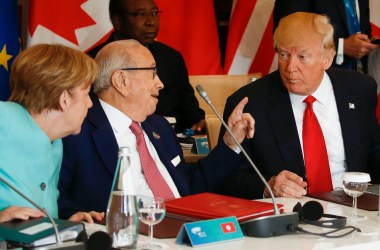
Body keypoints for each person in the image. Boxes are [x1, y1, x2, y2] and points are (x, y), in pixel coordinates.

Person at [58, 39, 254, 220]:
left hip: (186, 232)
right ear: (121, 81)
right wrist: (74, 216)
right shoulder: (75, 130)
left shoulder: (159, 126)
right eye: (152, 72)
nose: (160, 83)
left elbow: (189, 187)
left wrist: (230, 143)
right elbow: (53, 197)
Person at [216, 12, 380, 200]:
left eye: (302, 57)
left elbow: (375, 154)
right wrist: (268, 186)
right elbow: (224, 177)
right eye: (284, 54)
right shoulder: (250, 103)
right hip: (288, 215)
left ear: (327, 59)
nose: (290, 67)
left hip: (355, 210)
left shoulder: (359, 89)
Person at [0, 44, 103, 223]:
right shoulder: (4, 118)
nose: (90, 104)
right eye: (86, 94)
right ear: (63, 99)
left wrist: (62, 224)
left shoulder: (55, 143)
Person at [87, 0, 205, 133]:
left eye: (155, 13)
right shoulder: (91, 62)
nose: (151, 21)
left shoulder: (171, 57)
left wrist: (200, 122)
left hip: (167, 141)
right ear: (118, 21)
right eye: (141, 14)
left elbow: (189, 111)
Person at [273, 0, 379, 73]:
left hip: (358, 81)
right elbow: (285, 34)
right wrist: (341, 46)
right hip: (312, 85)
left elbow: (358, 25)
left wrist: (368, 43)